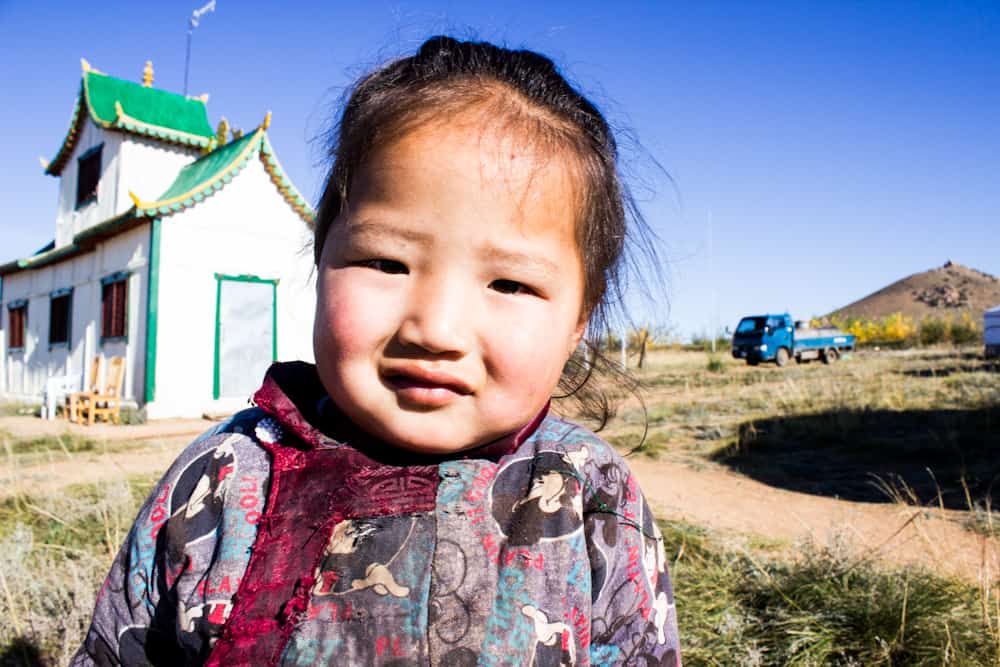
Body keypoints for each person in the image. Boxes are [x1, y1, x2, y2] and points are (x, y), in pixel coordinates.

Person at [73, 36, 681, 666]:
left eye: (510, 283)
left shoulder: (592, 493)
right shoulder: (221, 474)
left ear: (579, 317)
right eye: (386, 262)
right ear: (322, 261)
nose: (435, 330)